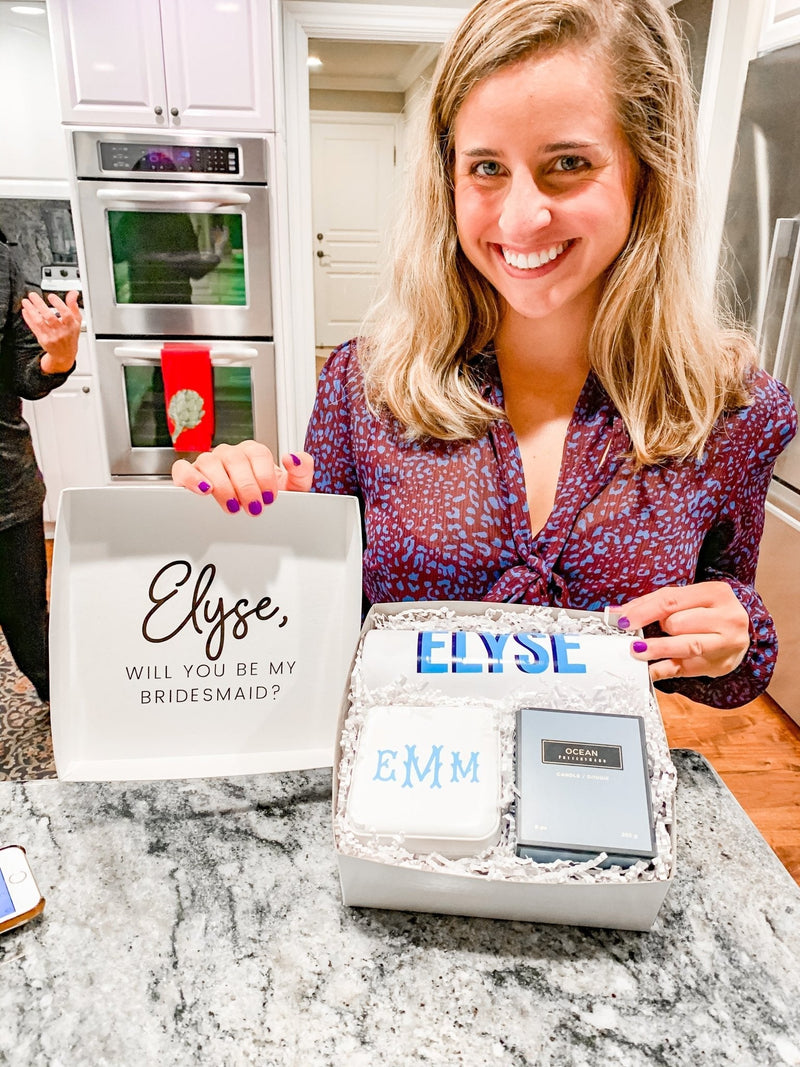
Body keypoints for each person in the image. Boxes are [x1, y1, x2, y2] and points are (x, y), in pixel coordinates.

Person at [172, 0, 797, 710]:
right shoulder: (366, 387)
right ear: (448, 180)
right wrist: (250, 522)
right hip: (405, 792)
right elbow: (313, 622)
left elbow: (724, 644)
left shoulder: (730, 410)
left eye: (568, 163)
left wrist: (738, 635)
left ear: (645, 172)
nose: (521, 217)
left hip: (589, 799)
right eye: (488, 167)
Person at [0, 230, 81, 702]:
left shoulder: (3, 263)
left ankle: (65, 704)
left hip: (7, 490)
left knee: (32, 627)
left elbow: (25, 374)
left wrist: (59, 356)